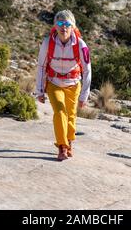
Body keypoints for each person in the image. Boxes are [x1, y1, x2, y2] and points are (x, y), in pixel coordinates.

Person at [36, 9, 91, 161]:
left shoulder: (80, 45)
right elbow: (41, 65)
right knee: (60, 112)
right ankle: (62, 147)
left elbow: (87, 70)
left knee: (71, 115)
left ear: (73, 27)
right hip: (54, 83)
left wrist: (84, 95)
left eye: (67, 24)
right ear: (55, 26)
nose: (64, 27)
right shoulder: (48, 43)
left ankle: (69, 141)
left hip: (73, 84)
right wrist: (39, 90)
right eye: (60, 23)